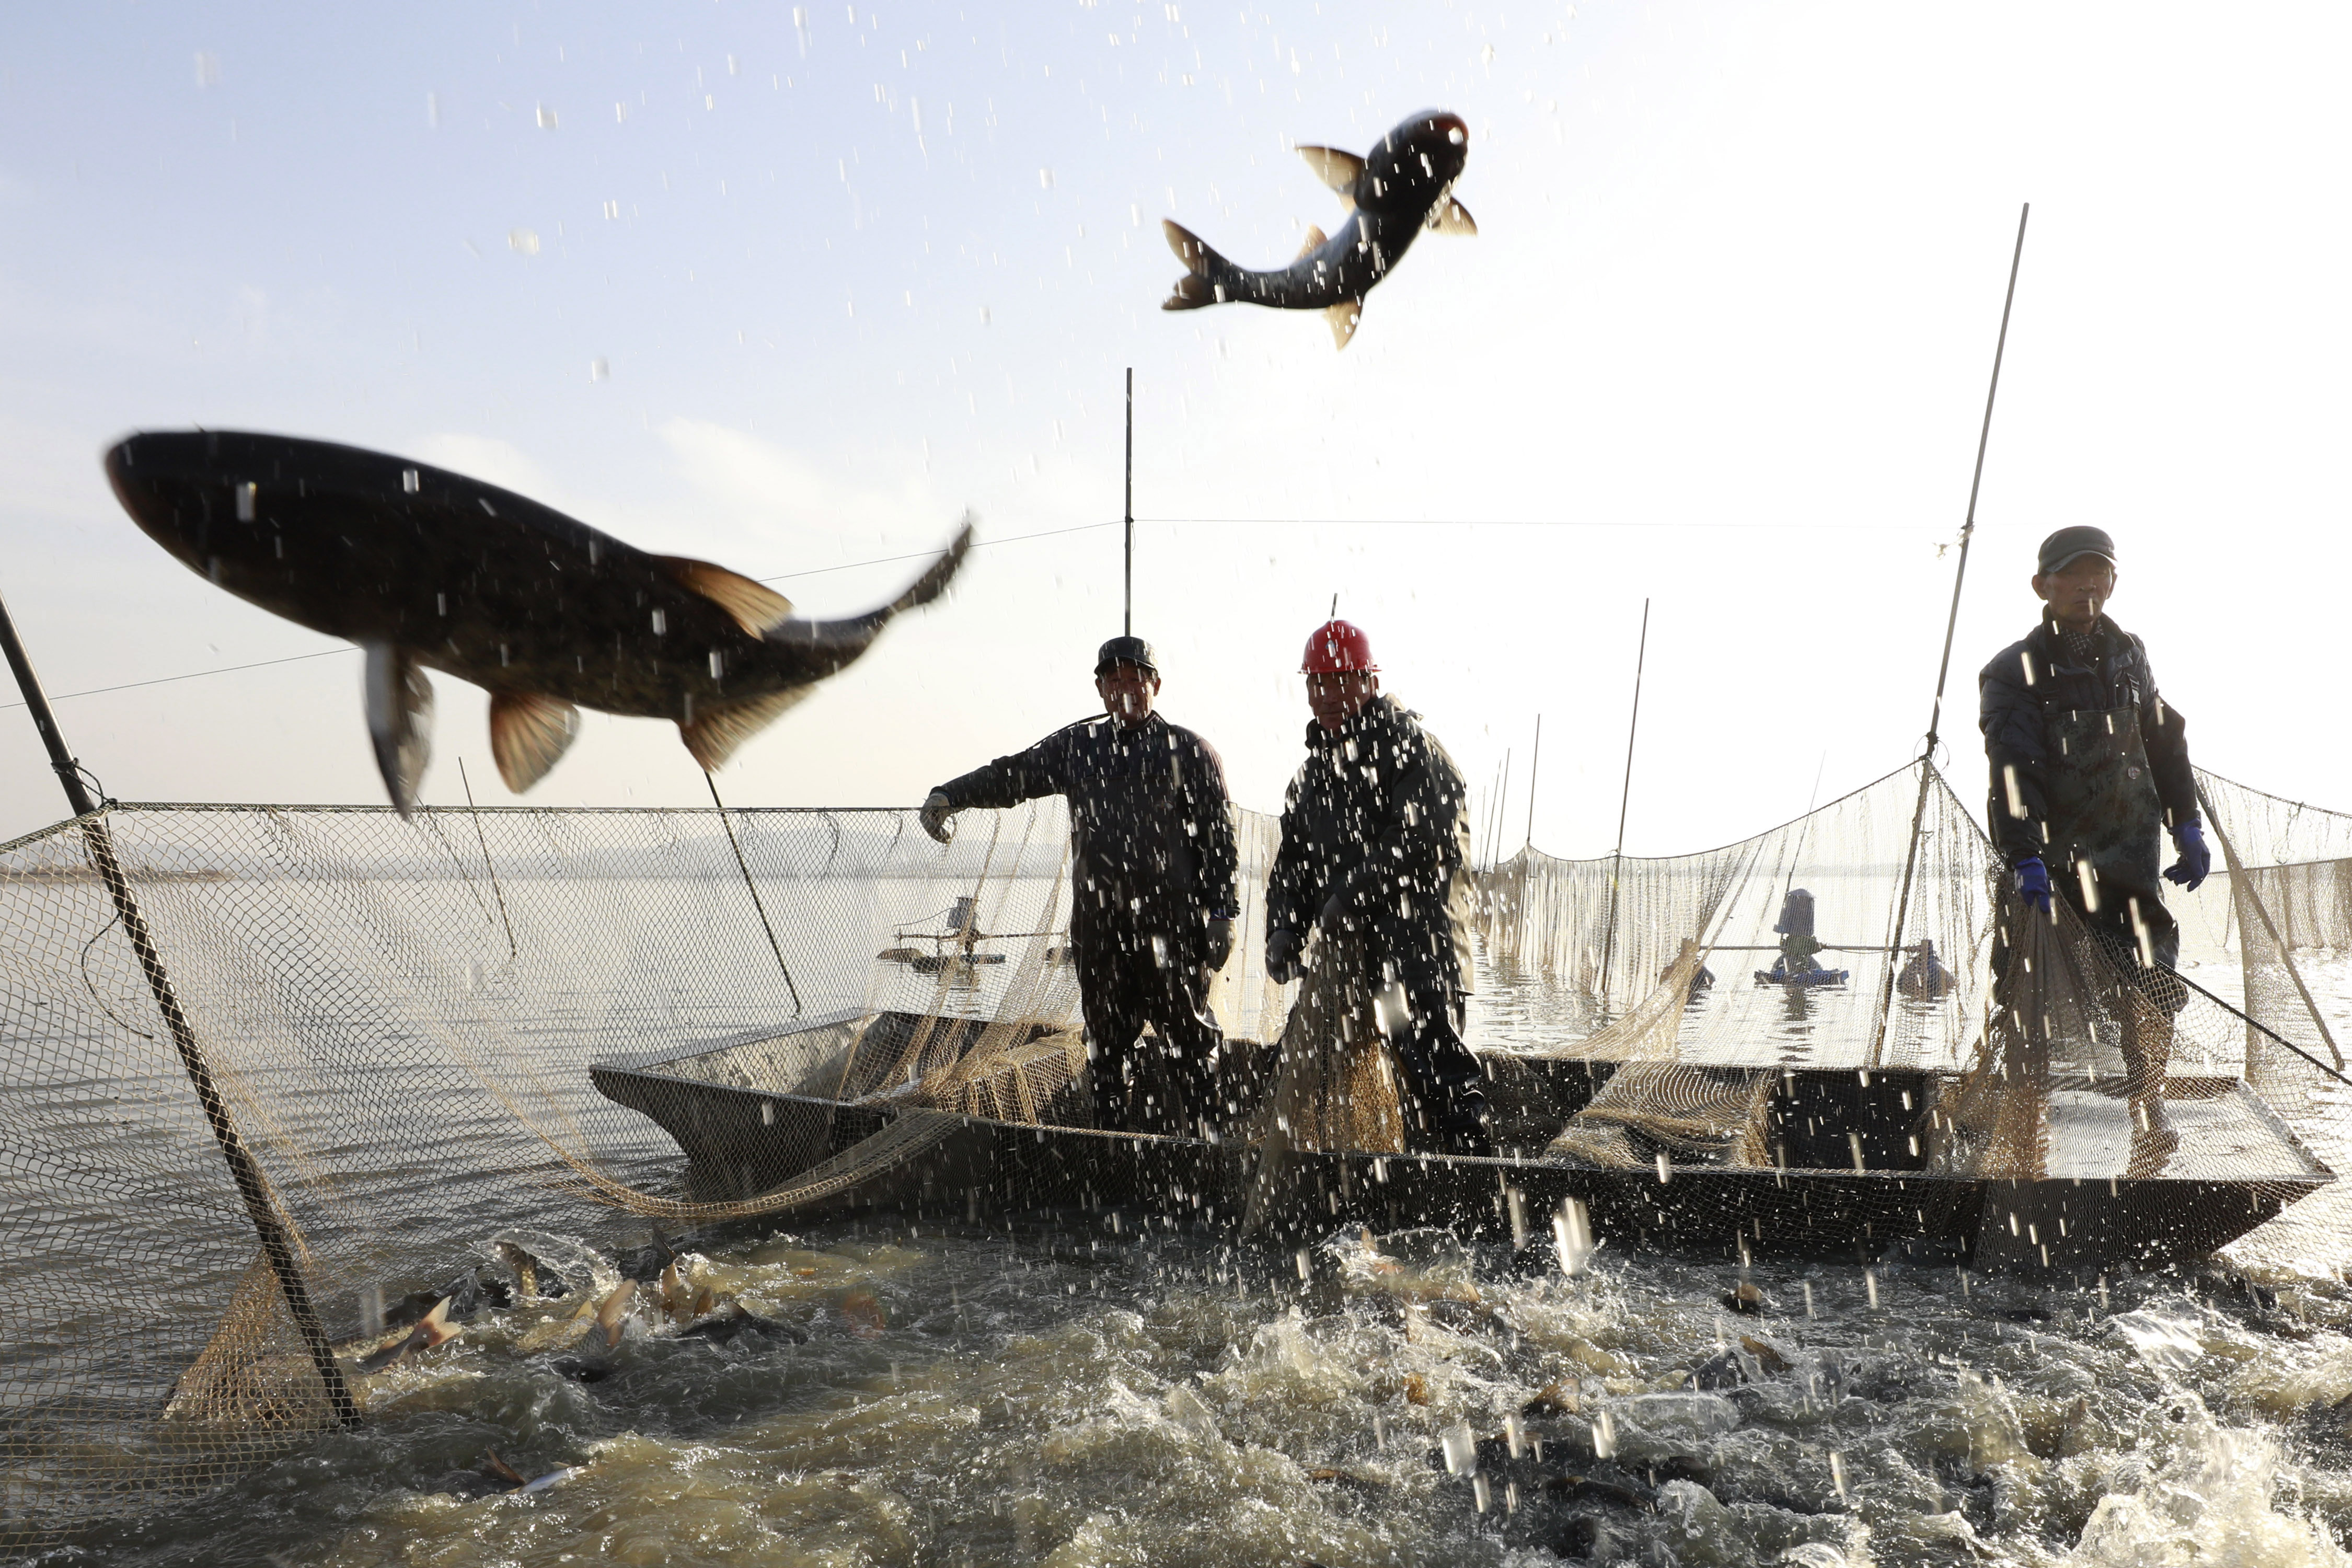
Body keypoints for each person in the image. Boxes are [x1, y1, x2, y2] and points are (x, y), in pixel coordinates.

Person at [918, 636, 1237, 1134]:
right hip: (1101, 930)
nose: (1124, 688)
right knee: (1106, 1048)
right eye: (1114, 679)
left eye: (1135, 678)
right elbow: (1014, 776)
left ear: (1155, 684)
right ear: (1100, 688)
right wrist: (951, 794)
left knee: (1191, 1044)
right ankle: (1111, 1152)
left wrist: (1223, 914)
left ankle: (1209, 1148)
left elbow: (1220, 842)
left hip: (1171, 931)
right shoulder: (1078, 748)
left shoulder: (1190, 752)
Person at [1978, 525, 2208, 1148]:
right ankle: (2027, 1129)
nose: (2088, 586)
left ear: (2113, 580)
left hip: (2130, 859)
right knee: (2029, 994)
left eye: (2098, 573)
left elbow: (2163, 740)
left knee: (2154, 978)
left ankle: (2149, 1112)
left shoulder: (2130, 654)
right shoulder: (2012, 669)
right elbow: (2013, 766)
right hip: (2048, 864)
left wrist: (2185, 823)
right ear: (2042, 586)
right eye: (2072, 575)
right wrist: (2024, 856)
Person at [1264, 619, 1491, 1156]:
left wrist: (1349, 897)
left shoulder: (1413, 750)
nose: (1327, 695)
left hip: (1417, 954)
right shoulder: (1311, 777)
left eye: (1340, 681)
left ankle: (1474, 1194)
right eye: (1316, 683)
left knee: (1440, 1077)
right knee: (1293, 1067)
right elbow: (1292, 866)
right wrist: (1282, 930)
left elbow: (1416, 838)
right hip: (1346, 962)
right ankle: (1339, 1198)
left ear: (1368, 681)